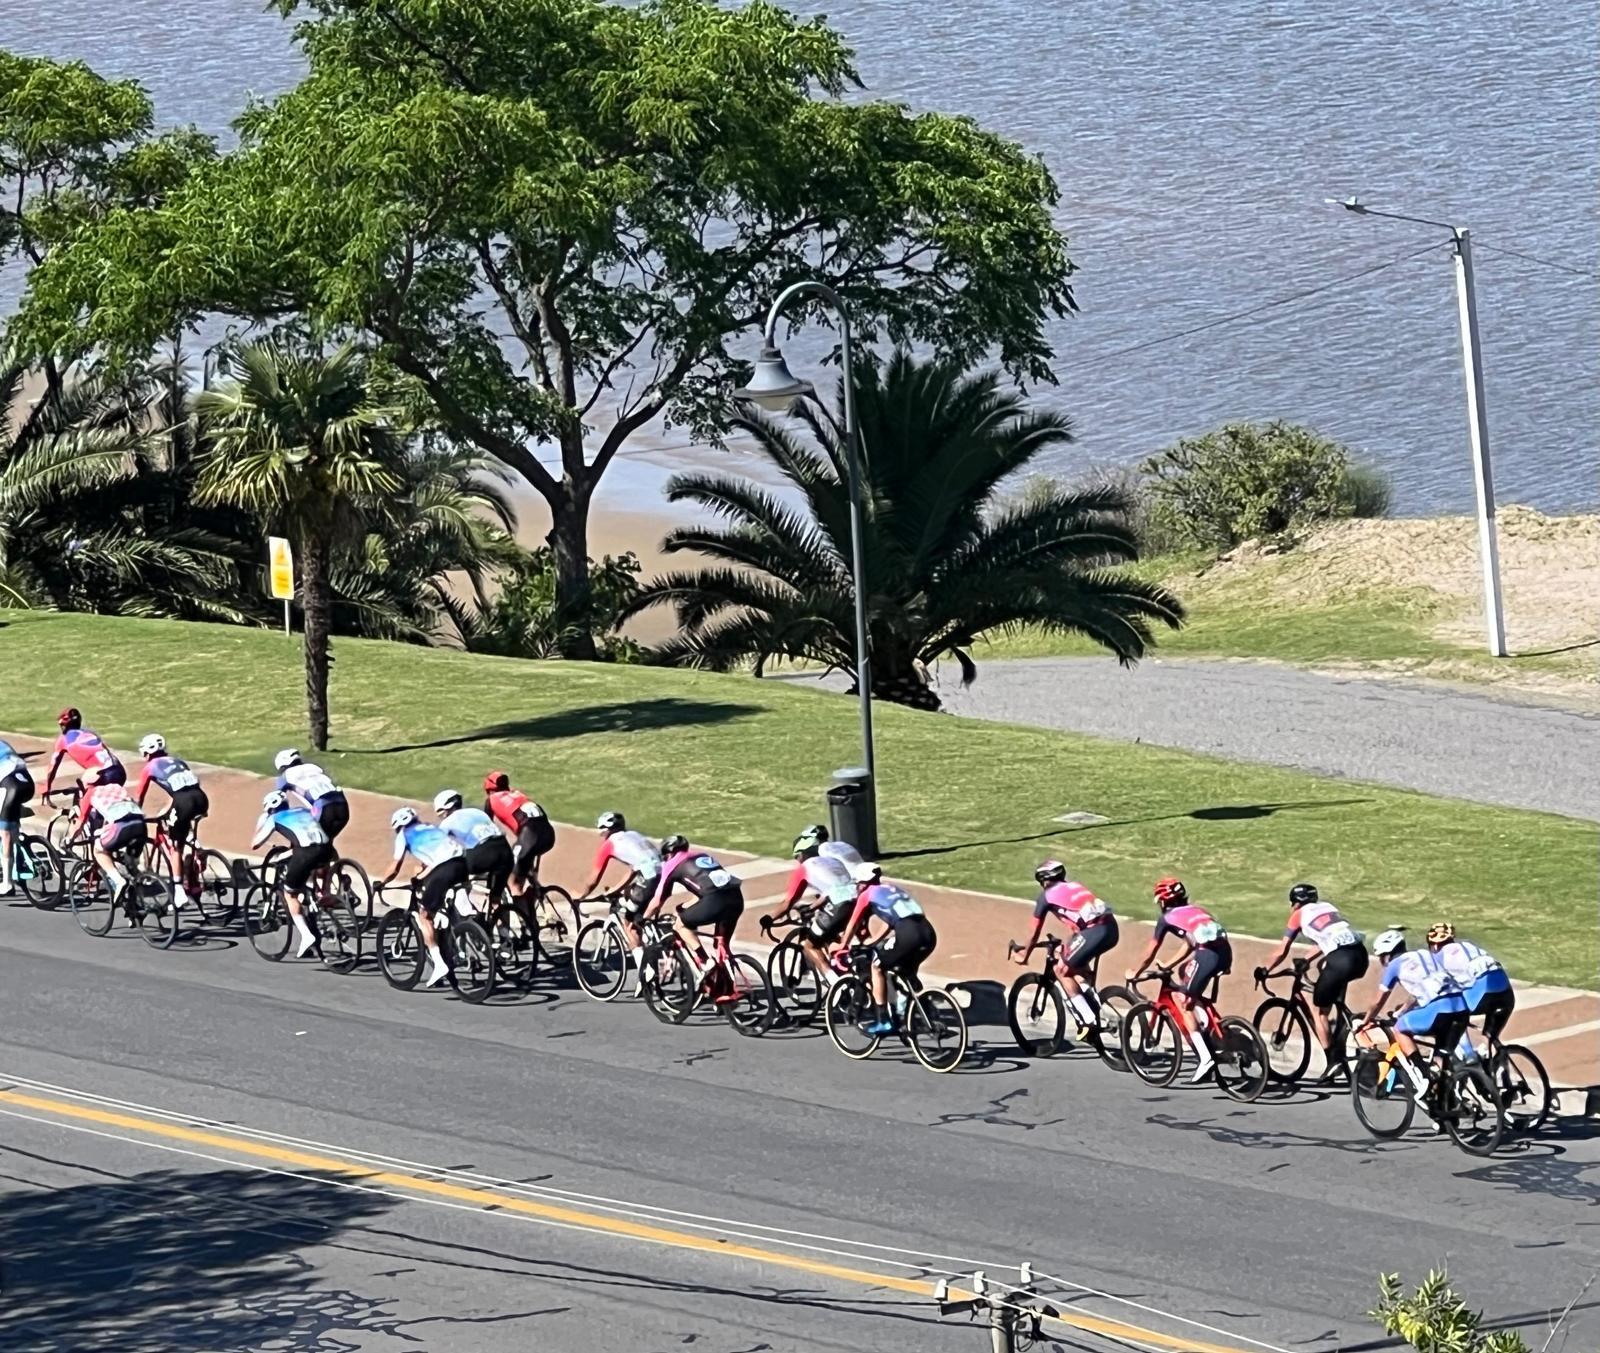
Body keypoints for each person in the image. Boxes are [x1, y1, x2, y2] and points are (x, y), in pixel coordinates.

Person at [1254, 882, 1369, 1082]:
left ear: (1296, 903)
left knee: (1319, 1010)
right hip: (1360, 955)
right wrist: (1307, 959)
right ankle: (1343, 1032)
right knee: (1325, 971)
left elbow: (1282, 951)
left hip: (1340, 959)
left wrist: (1265, 970)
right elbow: (1327, 937)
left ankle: (1333, 1062)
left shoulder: (1298, 915)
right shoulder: (1328, 907)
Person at [1125, 877, 1232, 1083]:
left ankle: (1205, 1058)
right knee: (1185, 971)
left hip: (1207, 955)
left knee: (1183, 1000)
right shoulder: (1198, 911)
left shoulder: (1167, 919)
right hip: (1224, 953)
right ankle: (1205, 1022)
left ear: (1164, 901)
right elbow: (1190, 943)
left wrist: (1135, 972)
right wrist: (1168, 965)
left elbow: (1150, 952)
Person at [1010, 860, 1118, 1037]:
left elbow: (1034, 932)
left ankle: (1089, 1021)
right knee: (1075, 967)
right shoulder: (1075, 886)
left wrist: (1024, 955)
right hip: (1111, 929)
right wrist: (1067, 947)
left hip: (1093, 932)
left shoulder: (1046, 897)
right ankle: (1097, 1008)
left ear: (1043, 881)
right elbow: (1077, 927)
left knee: (1061, 970)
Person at [830, 861, 938, 1036]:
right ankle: (924, 1010)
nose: (857, 888)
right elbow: (891, 921)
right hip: (927, 932)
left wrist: (842, 946)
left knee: (877, 966)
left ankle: (884, 1021)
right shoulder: (891, 889)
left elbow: (853, 923)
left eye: (857, 884)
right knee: (906, 970)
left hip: (908, 933)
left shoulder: (867, 895)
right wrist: (873, 941)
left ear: (863, 883)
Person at [377, 805, 467, 990]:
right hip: (462, 864)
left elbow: (395, 867)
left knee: (425, 915)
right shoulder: (431, 827)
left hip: (444, 868)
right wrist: (420, 875)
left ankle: (439, 963)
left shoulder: (404, 835)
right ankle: (460, 936)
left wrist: (381, 883)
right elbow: (428, 861)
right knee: (440, 900)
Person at [761, 824, 862, 986]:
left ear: (802, 855)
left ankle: (836, 984)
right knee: (833, 936)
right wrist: (812, 907)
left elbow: (788, 903)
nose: (797, 861)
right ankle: (849, 966)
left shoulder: (804, 869)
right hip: (858, 899)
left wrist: (769, 919)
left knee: (810, 945)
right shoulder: (832, 861)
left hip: (838, 904)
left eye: (797, 857)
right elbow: (834, 888)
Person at [1356, 928, 1469, 1072]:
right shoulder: (1426, 954)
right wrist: (1403, 1010)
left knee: (1399, 1030)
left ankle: (1423, 1072)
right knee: (1440, 1057)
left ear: (1388, 955)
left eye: (1381, 957)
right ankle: (1442, 1085)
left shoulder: (1394, 966)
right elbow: (1421, 990)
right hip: (1462, 1007)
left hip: (1438, 1010)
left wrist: (1366, 1020)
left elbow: (1378, 1002)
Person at [647, 835, 746, 987]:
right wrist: (684, 906)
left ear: (669, 853)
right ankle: (726, 990)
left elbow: (659, 899)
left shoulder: (671, 864)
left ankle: (705, 961)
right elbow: (706, 889)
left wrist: (644, 918)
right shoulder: (702, 855)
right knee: (722, 946)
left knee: (680, 924)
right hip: (736, 898)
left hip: (715, 900)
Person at [576, 811, 662, 981]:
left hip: (648, 877)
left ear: (605, 830)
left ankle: (647, 972)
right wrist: (616, 889)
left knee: (629, 923)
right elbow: (634, 867)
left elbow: (593, 879)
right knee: (637, 906)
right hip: (663, 873)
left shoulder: (609, 845)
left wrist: (581, 895)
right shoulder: (634, 835)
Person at [250, 790, 333, 958]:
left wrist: (262, 823)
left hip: (306, 852)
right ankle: (317, 899)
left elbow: (255, 844)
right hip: (326, 848)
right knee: (306, 877)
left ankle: (307, 935)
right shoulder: (302, 811)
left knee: (290, 893)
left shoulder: (274, 818)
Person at [133, 734, 209, 899]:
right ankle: (196, 846)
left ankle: (179, 891)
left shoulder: (149, 768)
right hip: (200, 798)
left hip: (183, 802)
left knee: (176, 848)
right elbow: (180, 788)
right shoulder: (178, 761)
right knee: (181, 823)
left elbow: (139, 797)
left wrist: (136, 815)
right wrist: (166, 809)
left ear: (146, 752)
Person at [481, 770, 563, 918]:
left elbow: (484, 827)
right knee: (523, 867)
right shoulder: (517, 794)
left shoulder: (491, 800)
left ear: (488, 789)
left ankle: (528, 925)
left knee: (513, 882)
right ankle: (533, 894)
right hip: (548, 834)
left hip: (529, 836)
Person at [1428, 923, 1515, 1050]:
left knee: (1453, 1015)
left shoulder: (1438, 958)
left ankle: (1468, 1056)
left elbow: (1432, 989)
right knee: (1489, 1038)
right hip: (1505, 990)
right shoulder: (1469, 946)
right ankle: (1496, 1059)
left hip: (1483, 990)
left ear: (1434, 945)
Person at [75, 779, 147, 914]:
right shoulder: (116, 787)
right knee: (131, 866)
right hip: (140, 824)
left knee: (99, 850)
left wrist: (69, 840)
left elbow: (79, 823)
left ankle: (119, 881)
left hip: (121, 827)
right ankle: (136, 904)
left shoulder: (90, 794)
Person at [434, 789, 512, 910]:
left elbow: (438, 849)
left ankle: (467, 912)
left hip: (485, 852)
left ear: (446, 808)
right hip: (505, 850)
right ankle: (501, 924)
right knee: (495, 901)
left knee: (453, 872)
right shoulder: (477, 812)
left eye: (440, 812)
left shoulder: (447, 823)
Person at [273, 749, 350, 844]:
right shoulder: (313, 767)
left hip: (322, 805)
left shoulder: (285, 776)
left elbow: (277, 798)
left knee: (310, 842)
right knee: (327, 841)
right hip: (342, 803)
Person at [44, 708, 124, 796]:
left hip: (101, 775)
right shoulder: (91, 734)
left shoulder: (62, 740)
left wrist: (47, 787)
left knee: (84, 799)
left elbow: (52, 768)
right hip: (119, 771)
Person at [0, 738, 35, 895]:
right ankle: (21, 856)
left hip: (11, 785)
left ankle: (7, 883)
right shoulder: (3, 743)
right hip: (27, 783)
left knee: (4, 832)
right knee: (11, 824)